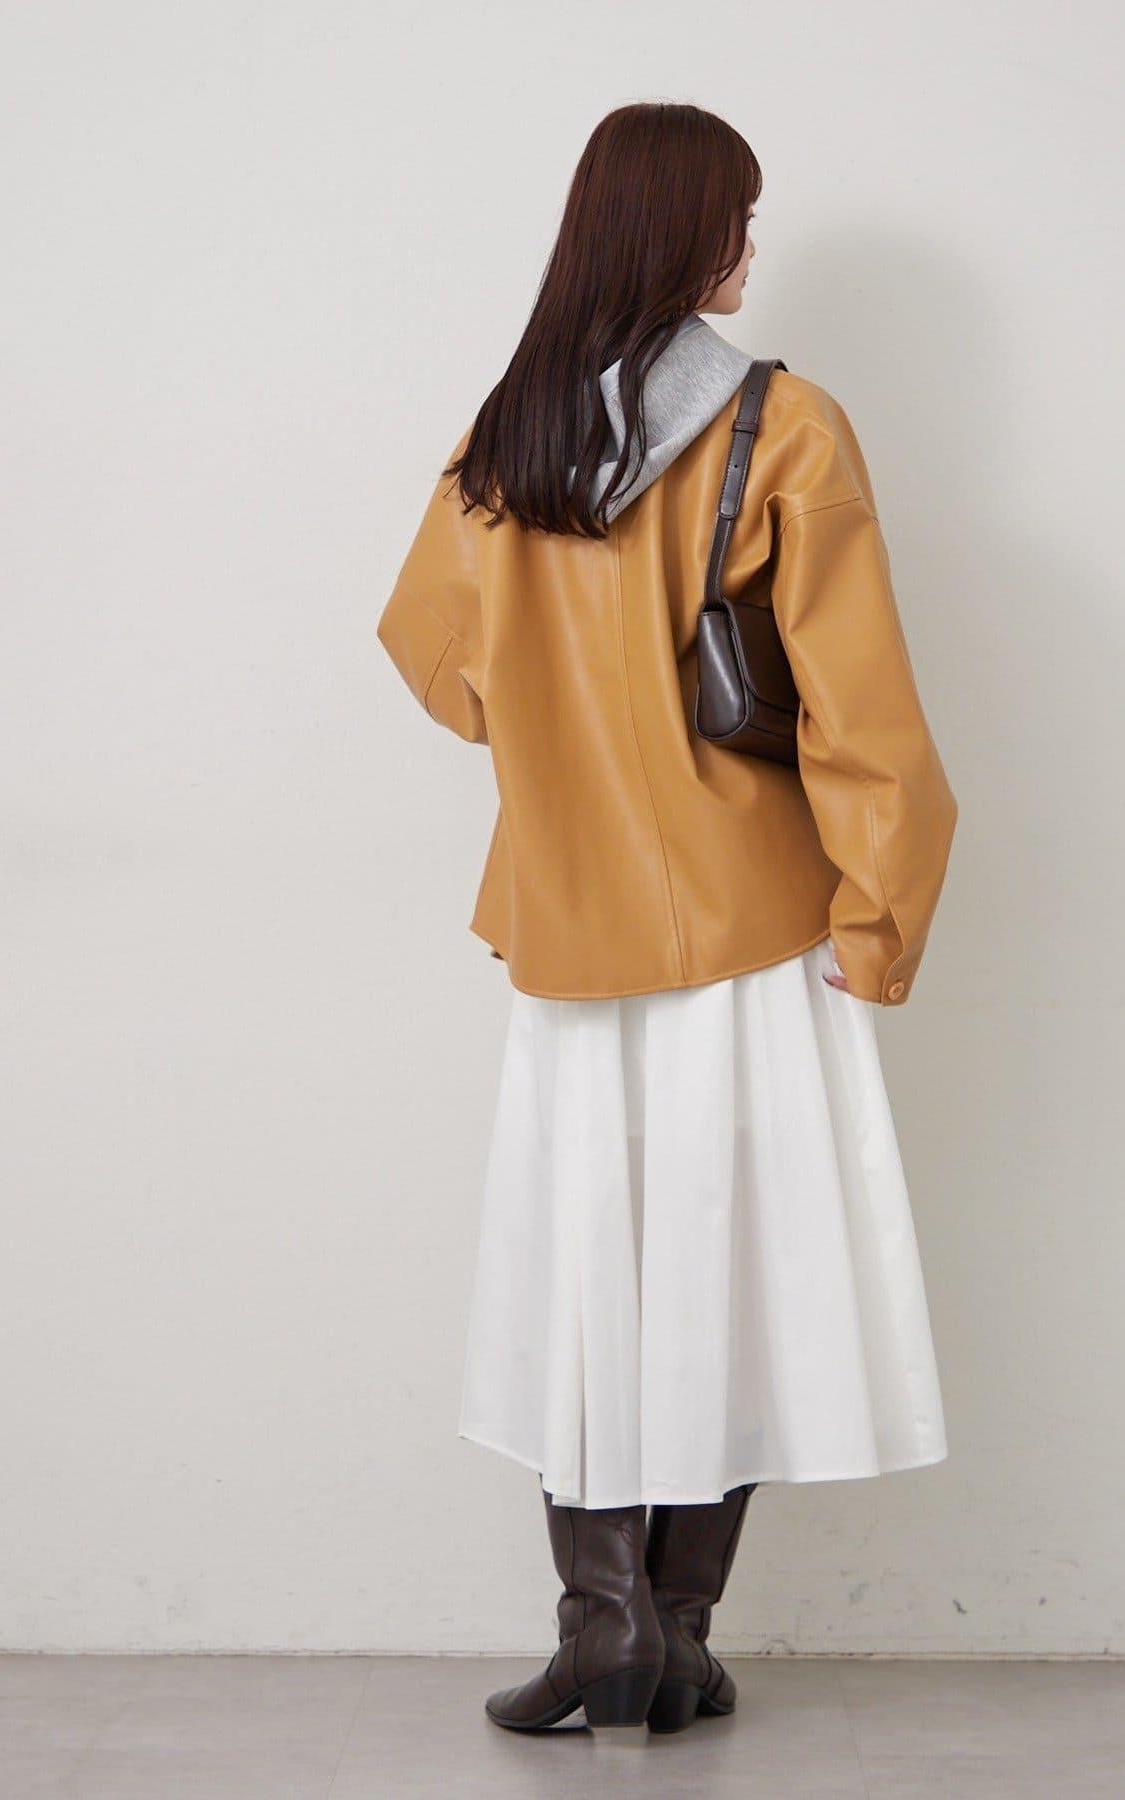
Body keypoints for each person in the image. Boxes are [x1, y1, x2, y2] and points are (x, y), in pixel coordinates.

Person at [377, 101, 958, 1735]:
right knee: (734, 1268)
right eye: (737, 219)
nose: (750, 248)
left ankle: (607, 1628)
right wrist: (880, 915)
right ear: (687, 234)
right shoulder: (788, 427)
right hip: (753, 930)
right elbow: (860, 709)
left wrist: (569, 717)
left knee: (589, 1271)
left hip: (570, 934)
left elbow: (440, 664)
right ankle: (679, 1632)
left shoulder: (511, 436)